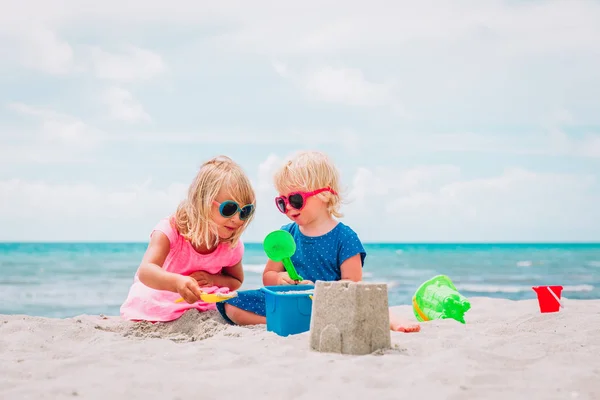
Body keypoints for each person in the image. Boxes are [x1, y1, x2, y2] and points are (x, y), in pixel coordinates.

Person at [217, 151, 420, 333]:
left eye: (296, 200)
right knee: (232, 304)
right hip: (290, 302)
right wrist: (280, 279)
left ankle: (389, 321)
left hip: (328, 305)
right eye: (282, 202)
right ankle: (285, 322)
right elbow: (269, 275)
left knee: (368, 304)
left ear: (325, 194)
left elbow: (352, 284)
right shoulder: (286, 234)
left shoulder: (345, 237)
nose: (288, 207)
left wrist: (318, 290)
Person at [120, 155, 256, 322]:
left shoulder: (231, 244)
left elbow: (236, 280)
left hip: (202, 297)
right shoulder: (171, 229)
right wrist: (176, 282)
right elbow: (146, 271)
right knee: (147, 302)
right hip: (164, 293)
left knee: (233, 304)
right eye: (229, 209)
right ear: (202, 202)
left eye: (245, 212)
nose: (237, 219)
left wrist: (213, 279)